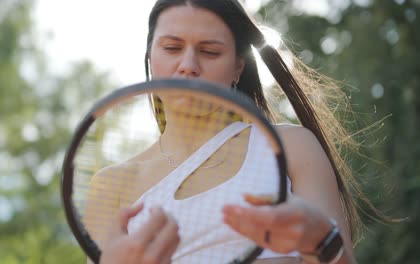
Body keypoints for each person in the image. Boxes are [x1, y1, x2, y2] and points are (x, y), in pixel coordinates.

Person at [92, 0, 369, 263]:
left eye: (210, 51)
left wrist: (322, 240)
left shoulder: (291, 147)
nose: (188, 65)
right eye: (172, 48)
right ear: (150, 56)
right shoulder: (112, 185)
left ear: (238, 66)